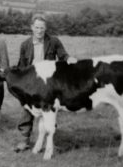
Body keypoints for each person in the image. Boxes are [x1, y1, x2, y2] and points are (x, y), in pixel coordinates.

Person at [15, 13, 77, 151]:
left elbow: (63, 55)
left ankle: (50, 141)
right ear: (32, 27)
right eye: (36, 27)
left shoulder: (54, 41)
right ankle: (24, 140)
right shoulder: (25, 45)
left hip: (48, 83)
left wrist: (69, 58)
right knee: (27, 111)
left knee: (50, 111)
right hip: (31, 83)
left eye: (42, 28)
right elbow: (22, 66)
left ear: (46, 28)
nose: (39, 30)